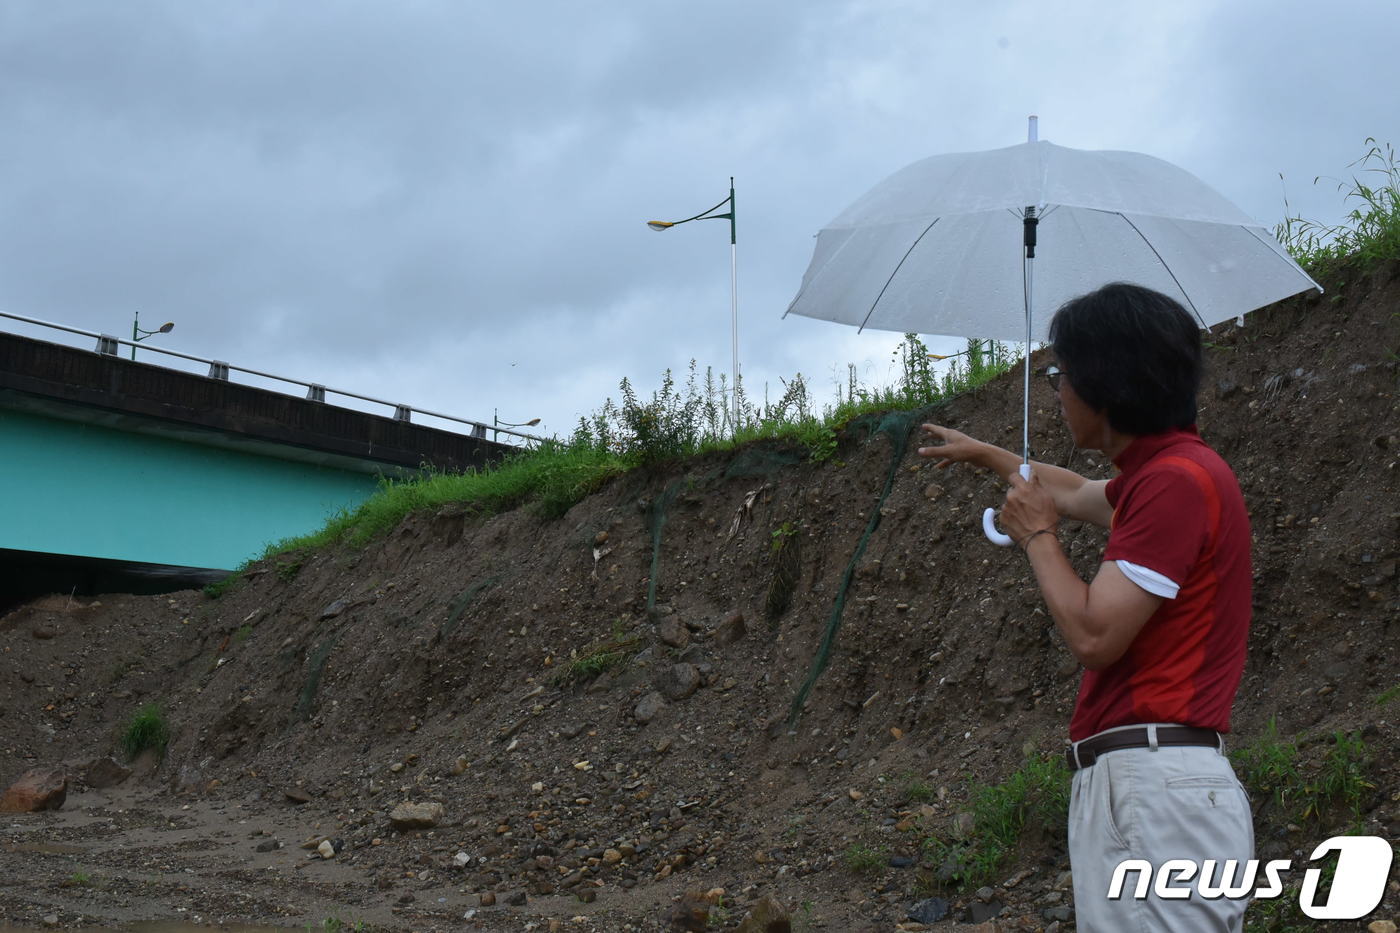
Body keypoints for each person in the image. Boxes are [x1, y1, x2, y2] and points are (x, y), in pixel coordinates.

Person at [918, 282, 1254, 932]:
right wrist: (990, 455)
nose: (1057, 389)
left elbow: (1097, 635)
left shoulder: (1175, 485)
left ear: (1105, 383)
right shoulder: (1169, 473)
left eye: (1059, 374)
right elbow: (1076, 491)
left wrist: (1038, 536)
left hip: (1157, 791)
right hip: (1152, 784)